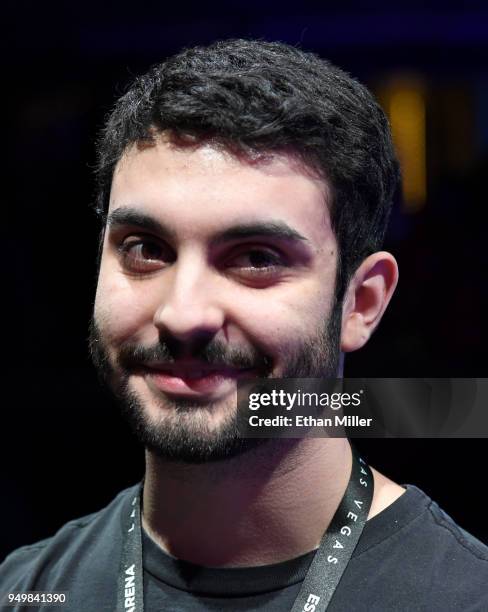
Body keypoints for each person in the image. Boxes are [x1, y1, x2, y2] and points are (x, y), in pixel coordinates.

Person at [1, 39, 487, 611]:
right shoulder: (24, 591)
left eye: (256, 258)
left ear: (361, 304)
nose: (182, 314)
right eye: (145, 249)